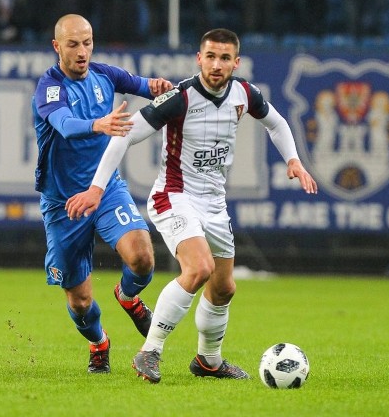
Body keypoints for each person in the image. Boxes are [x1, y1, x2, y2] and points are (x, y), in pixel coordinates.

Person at [65, 28, 318, 383]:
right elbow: (125, 135)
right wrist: (96, 189)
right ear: (199, 58)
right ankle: (149, 352)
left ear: (236, 62)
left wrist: (293, 160)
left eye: (225, 58)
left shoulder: (245, 93)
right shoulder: (179, 97)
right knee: (198, 268)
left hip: (214, 204)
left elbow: (276, 123)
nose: (217, 65)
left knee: (224, 287)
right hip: (174, 196)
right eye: (210, 56)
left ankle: (208, 361)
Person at [32, 14, 173, 374]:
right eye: (73, 44)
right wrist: (98, 124)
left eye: (88, 42)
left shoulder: (106, 75)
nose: (82, 52)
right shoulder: (50, 87)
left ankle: (128, 297)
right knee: (80, 302)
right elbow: (63, 124)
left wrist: (157, 86)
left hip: (105, 188)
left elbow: (145, 86)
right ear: (57, 47)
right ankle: (99, 343)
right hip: (65, 204)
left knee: (142, 256)